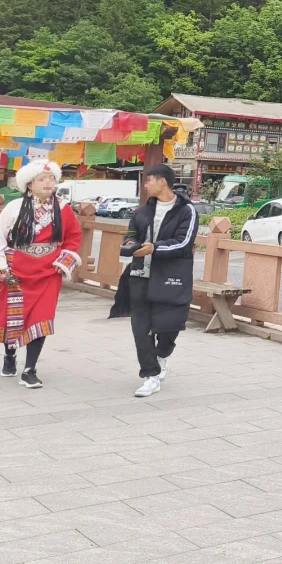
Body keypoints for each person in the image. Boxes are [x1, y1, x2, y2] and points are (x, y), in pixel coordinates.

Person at [0, 161, 82, 387]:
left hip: (48, 272)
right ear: (29, 184)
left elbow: (73, 238)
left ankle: (29, 370)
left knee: (42, 318)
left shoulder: (63, 208)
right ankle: (9, 355)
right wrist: (2, 270)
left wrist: (64, 261)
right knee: (12, 317)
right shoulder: (15, 207)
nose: (48, 183)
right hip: (16, 271)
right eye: (42, 179)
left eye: (51, 178)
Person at [110, 165, 199, 398]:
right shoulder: (142, 212)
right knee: (141, 328)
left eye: (149, 181)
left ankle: (162, 355)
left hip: (172, 276)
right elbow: (131, 234)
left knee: (169, 326)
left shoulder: (187, 211)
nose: (146, 185)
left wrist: (155, 248)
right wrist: (131, 245)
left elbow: (184, 242)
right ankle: (150, 375)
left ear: (163, 182)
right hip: (140, 275)